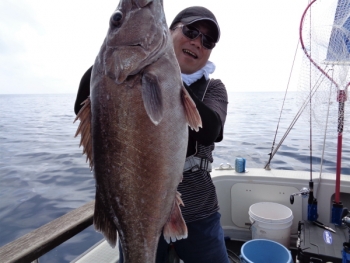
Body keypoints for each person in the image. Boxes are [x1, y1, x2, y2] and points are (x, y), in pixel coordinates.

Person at [74, 6, 229, 263]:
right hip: (138, 212)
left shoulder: (214, 88)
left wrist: (166, 78)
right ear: (168, 33)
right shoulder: (116, 75)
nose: (197, 42)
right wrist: (120, 61)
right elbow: (84, 102)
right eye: (190, 31)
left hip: (201, 212)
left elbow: (212, 129)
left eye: (207, 40)